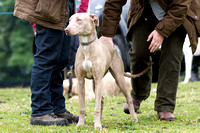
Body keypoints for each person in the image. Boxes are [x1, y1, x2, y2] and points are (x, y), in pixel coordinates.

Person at [99, 0, 200, 121]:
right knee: (138, 52)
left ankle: (165, 105)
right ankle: (138, 94)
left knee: (171, 56)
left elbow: (181, 5)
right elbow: (113, 2)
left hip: (178, 12)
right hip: (145, 9)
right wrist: (107, 35)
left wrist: (161, 31)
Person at [14, 0, 79, 126]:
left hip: (63, 6)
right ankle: (40, 111)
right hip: (48, 8)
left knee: (60, 59)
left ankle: (57, 108)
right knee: (46, 59)